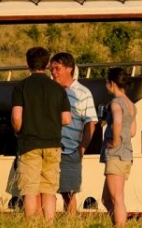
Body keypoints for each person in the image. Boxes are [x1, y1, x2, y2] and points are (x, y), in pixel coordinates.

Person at [12, 47, 71, 222]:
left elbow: (16, 117)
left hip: (29, 144)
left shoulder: (21, 87)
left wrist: (19, 130)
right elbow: (66, 119)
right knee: (49, 190)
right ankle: (49, 223)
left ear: (27, 64)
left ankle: (32, 225)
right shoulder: (58, 89)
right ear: (47, 65)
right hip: (53, 145)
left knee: (30, 190)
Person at [49, 52, 98, 215]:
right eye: (51, 69)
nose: (53, 72)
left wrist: (81, 149)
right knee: (47, 191)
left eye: (57, 68)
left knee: (68, 192)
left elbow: (91, 123)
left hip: (70, 150)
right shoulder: (50, 90)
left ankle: (70, 221)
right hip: (49, 148)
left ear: (69, 68)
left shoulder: (83, 93)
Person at [101, 67, 137, 227]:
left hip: (116, 154)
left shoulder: (116, 103)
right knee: (106, 199)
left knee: (117, 198)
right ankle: (117, 223)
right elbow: (133, 131)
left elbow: (117, 122)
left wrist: (115, 141)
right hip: (126, 154)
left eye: (106, 82)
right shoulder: (131, 105)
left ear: (112, 83)